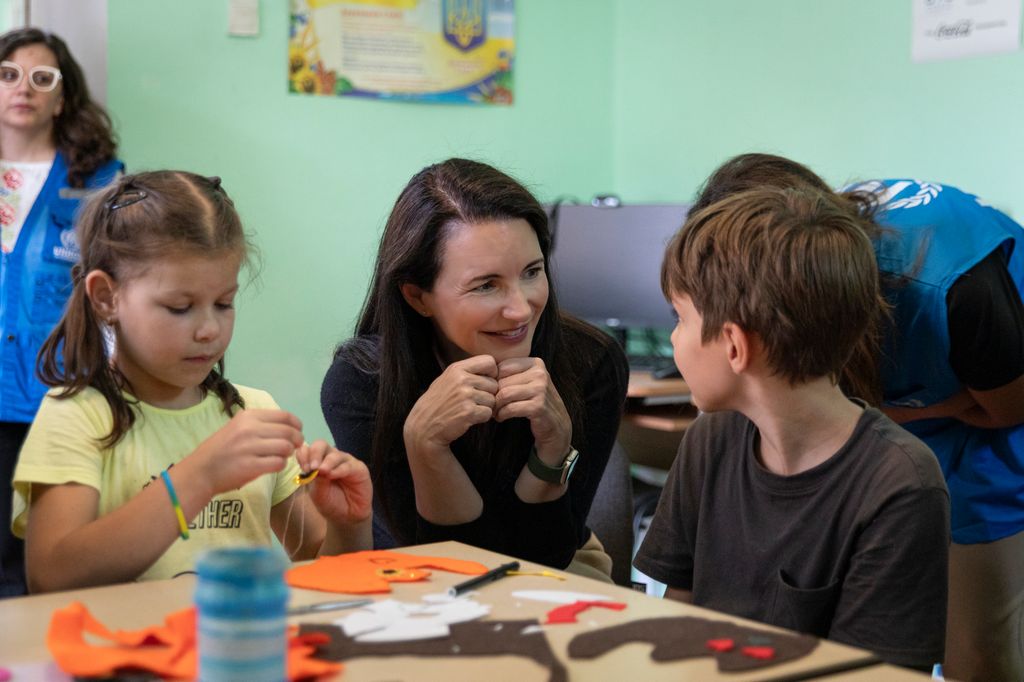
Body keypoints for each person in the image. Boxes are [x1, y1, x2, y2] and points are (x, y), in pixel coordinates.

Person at [688, 153, 1024, 682]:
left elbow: (1008, 407)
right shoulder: (716, 439)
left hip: (993, 418)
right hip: (912, 405)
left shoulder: (949, 286)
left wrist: (899, 412)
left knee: (977, 651)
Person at [633, 186, 950, 670]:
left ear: (735, 346)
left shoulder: (900, 485)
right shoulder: (710, 439)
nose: (674, 339)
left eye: (679, 319)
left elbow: (876, 677)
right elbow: (679, 615)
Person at [10, 171, 372, 593]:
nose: (208, 329)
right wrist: (200, 476)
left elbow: (324, 573)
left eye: (224, 304)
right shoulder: (77, 416)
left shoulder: (251, 412)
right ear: (107, 298)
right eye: (180, 307)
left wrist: (348, 525)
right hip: (119, 656)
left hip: (236, 650)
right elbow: (51, 576)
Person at [321, 158, 628, 578]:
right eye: (486, 285)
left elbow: (549, 553)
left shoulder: (591, 361)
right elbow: (444, 566)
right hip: (412, 569)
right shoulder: (362, 382)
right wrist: (426, 445)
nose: (521, 309)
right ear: (417, 297)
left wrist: (554, 450)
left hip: (553, 565)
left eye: (532, 272)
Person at [0, 28, 122, 597]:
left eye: (40, 77)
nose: (22, 88)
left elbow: (119, 288)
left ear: (62, 96)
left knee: (41, 563)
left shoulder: (98, 182)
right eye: (7, 74)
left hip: (57, 393)